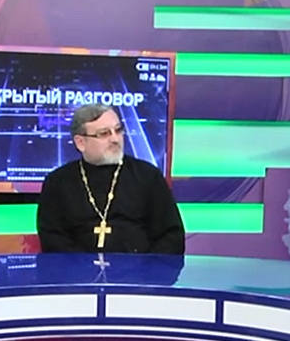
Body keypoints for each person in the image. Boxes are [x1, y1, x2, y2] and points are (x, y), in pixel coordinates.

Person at [36, 104, 185, 254]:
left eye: (118, 130)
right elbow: (52, 238)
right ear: (81, 142)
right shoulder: (58, 182)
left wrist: (146, 267)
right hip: (77, 268)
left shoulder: (148, 176)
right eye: (104, 134)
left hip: (140, 268)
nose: (115, 139)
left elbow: (171, 235)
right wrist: (82, 266)